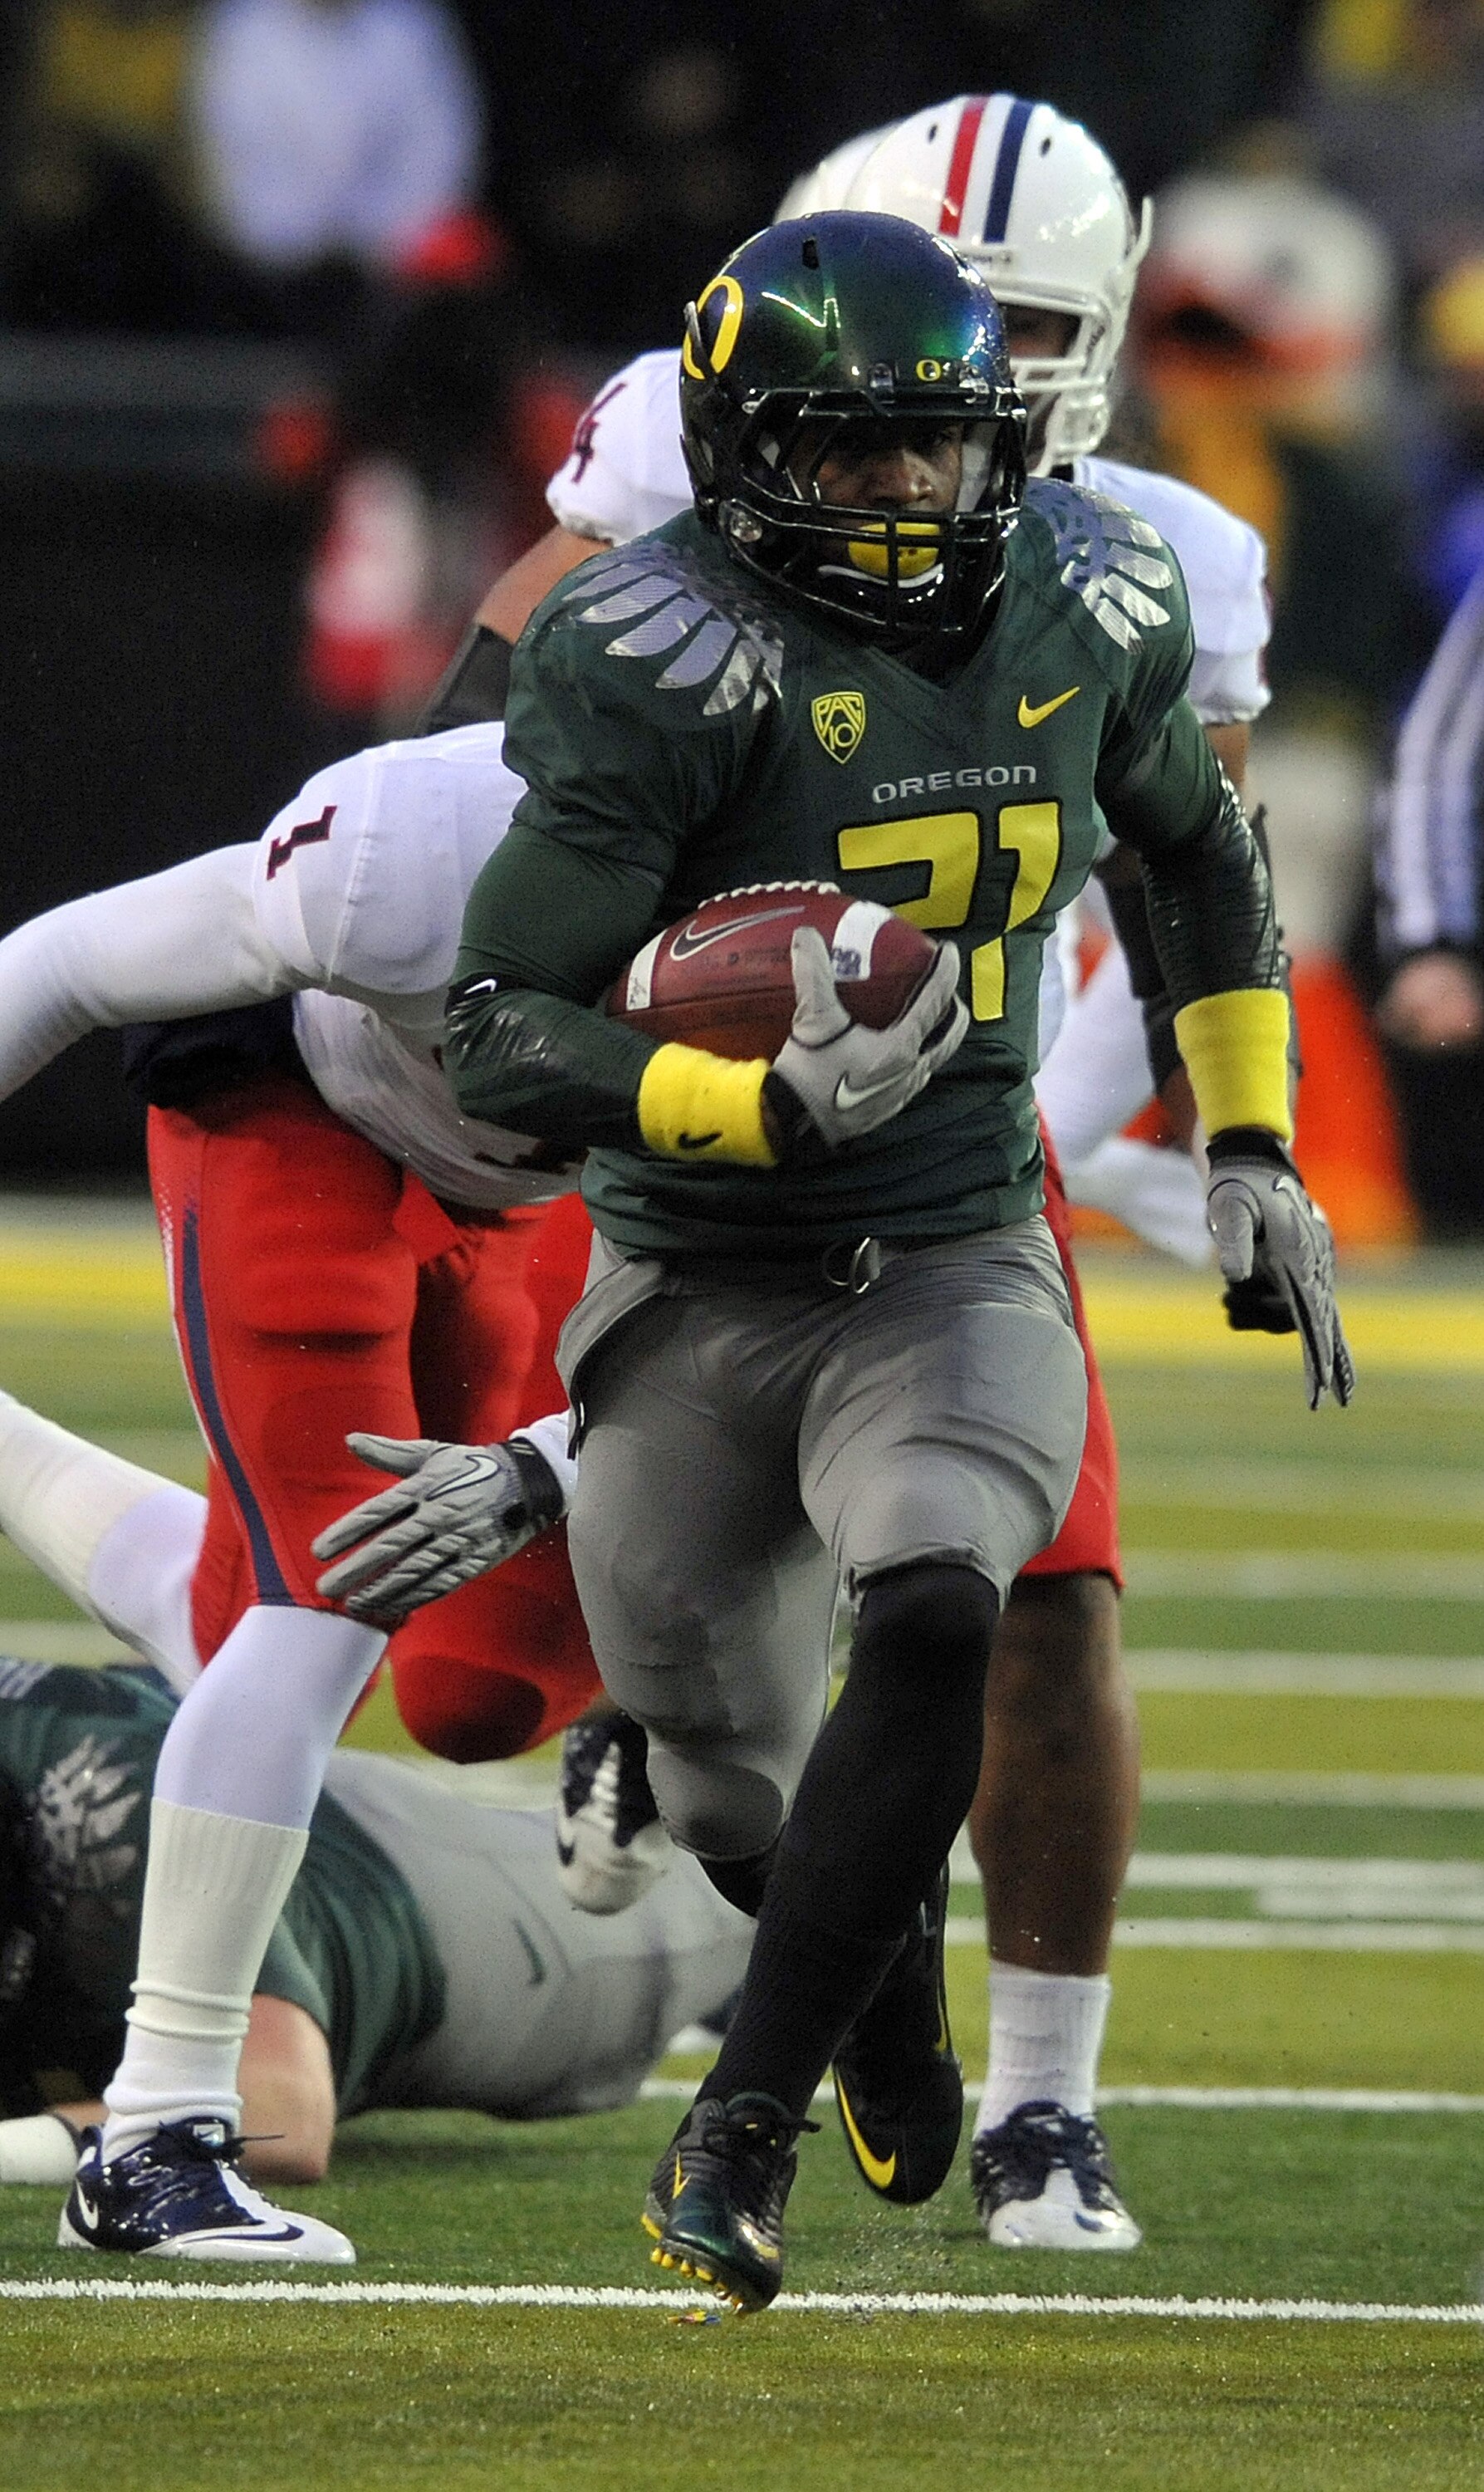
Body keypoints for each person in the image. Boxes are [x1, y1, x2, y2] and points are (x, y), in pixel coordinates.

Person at [433, 206, 1351, 2312]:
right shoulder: (648, 652)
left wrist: (1248, 1135)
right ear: (748, 450)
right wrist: (743, 1103)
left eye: (934, 449)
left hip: (952, 1244)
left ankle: (731, 2137)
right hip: (691, 1278)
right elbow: (500, 1031)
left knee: (942, 1603)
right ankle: (880, 1999)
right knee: (725, 1764)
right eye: (849, 453)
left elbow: (1200, 853)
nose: (901, 492)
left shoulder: (1088, 602)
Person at [0, 720, 617, 2258]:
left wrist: (548, 1476)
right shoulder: (399, 855)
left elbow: (780, 1355)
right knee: (329, 1599)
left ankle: (659, 1717)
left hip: (543, 1200)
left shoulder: (848, 906)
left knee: (472, 1691)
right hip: (300, 1122)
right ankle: (152, 2142)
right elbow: (69, 962)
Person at [0, 1409, 751, 2252]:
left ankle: (837, 1848)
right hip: (249, 1790)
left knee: (724, 1889)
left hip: (419, 1909)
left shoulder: (99, 1805)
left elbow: (285, 2107)